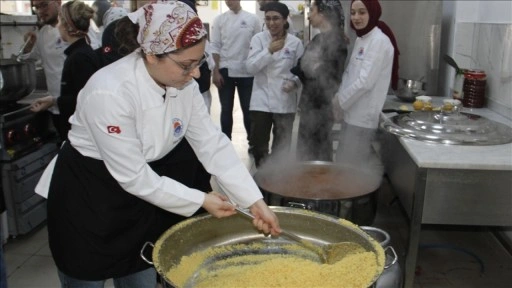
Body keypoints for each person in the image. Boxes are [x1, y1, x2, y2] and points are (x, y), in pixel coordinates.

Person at [34, 1, 280, 286]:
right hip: (89, 196)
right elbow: (134, 176)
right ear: (151, 54)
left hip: (139, 196)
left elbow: (212, 144)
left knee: (139, 276)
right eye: (186, 65)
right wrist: (201, 199)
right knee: (85, 276)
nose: (197, 75)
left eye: (199, 63)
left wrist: (254, 200)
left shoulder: (182, 85)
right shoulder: (110, 91)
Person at [334, 0, 399, 175]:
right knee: (344, 164)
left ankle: (352, 202)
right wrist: (340, 100)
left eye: (362, 12)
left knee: (352, 170)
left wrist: (340, 101)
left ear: (373, 13)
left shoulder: (379, 41)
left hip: (362, 118)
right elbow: (349, 75)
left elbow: (365, 82)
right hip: (351, 114)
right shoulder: (362, 38)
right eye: (353, 12)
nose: (356, 17)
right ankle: (346, 200)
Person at [20, 0, 100, 141]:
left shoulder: (80, 51)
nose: (39, 11)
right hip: (58, 106)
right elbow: (28, 58)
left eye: (44, 5)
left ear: (58, 2)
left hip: (76, 108)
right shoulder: (43, 33)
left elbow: (88, 89)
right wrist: (29, 45)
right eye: (36, 7)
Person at [246, 2, 304, 167]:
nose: (271, 23)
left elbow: (301, 71)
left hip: (285, 101)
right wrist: (268, 51)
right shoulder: (258, 39)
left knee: (282, 147)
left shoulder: (295, 43)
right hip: (261, 101)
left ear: (285, 20)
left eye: (276, 18)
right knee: (258, 146)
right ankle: (264, 176)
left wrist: (294, 82)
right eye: (268, 19)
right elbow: (250, 68)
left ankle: (278, 182)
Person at [291, 0, 347, 161]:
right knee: (304, 152)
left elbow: (329, 76)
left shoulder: (337, 42)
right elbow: (301, 67)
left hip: (321, 107)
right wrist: (310, 67)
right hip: (309, 104)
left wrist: (311, 68)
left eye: (312, 11)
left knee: (319, 154)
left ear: (323, 14)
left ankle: (321, 185)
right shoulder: (318, 39)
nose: (308, 15)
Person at [210, 0, 261, 140]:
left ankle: (252, 142)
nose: (228, 1)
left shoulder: (253, 19)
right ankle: (226, 141)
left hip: (247, 71)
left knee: (248, 110)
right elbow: (214, 46)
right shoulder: (220, 19)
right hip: (225, 70)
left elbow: (258, 44)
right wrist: (215, 72)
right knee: (226, 110)